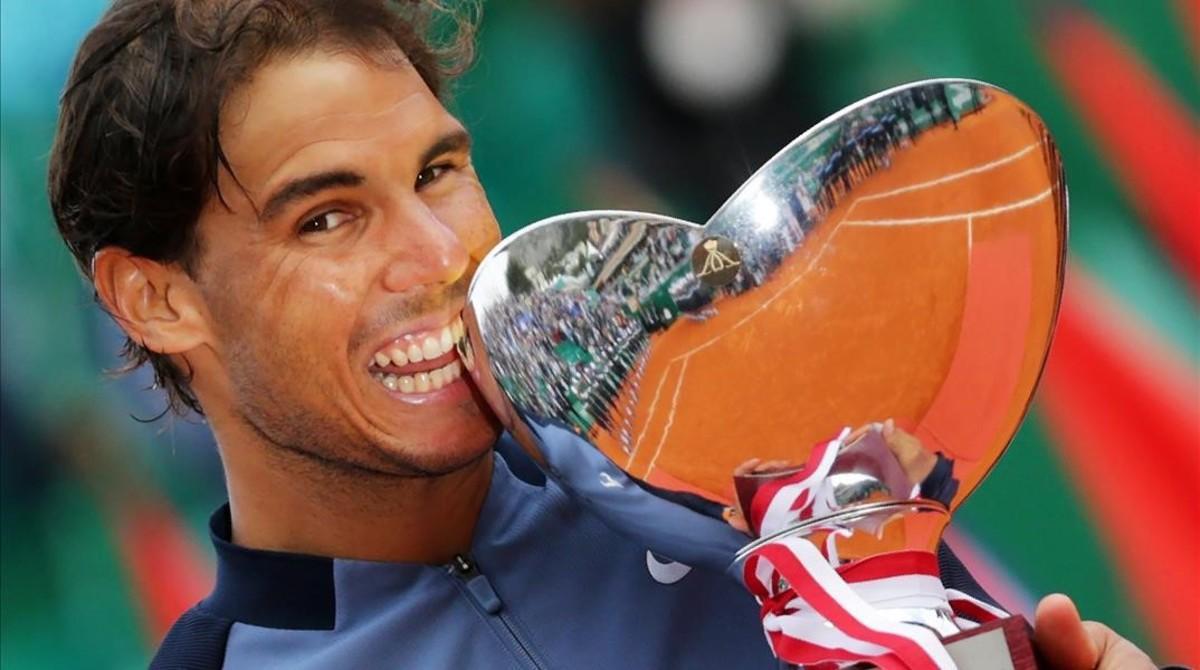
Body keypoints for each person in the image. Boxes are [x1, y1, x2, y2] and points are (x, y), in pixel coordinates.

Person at [47, 1, 1156, 668]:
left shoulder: (747, 464)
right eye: (327, 217)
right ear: (156, 299)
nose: (438, 255)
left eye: (441, 171)